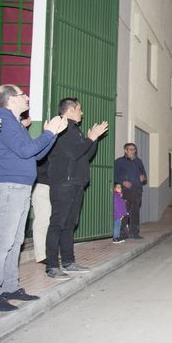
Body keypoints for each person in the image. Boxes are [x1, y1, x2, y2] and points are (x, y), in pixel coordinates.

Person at [0, 84, 66, 311]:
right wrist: (48, 133)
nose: (27, 97)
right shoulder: (3, 119)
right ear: (10, 99)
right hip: (8, 187)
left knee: (15, 242)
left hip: (21, 188)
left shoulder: (15, 122)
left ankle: (9, 286)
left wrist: (52, 135)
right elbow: (27, 151)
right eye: (22, 94)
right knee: (2, 243)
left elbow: (36, 155)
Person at [45, 98, 108, 279]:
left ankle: (68, 262)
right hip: (63, 183)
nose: (82, 112)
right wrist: (90, 138)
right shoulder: (62, 128)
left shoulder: (75, 130)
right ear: (71, 110)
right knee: (57, 224)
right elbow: (73, 153)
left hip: (76, 183)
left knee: (70, 224)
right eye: (80, 109)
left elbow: (84, 156)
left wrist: (93, 140)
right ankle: (51, 266)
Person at [114, 143, 147, 239]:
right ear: (125, 150)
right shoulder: (119, 162)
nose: (133, 151)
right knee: (124, 211)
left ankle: (134, 232)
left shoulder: (138, 162)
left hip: (137, 190)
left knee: (135, 211)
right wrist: (122, 182)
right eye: (130, 149)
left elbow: (144, 174)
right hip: (125, 191)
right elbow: (113, 175)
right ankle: (122, 233)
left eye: (134, 149)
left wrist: (143, 178)